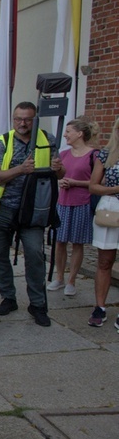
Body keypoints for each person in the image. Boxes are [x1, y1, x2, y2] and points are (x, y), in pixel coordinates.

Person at [0, 102, 64, 327]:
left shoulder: (47, 139)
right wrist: (20, 169)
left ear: (35, 119)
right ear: (13, 119)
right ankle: (8, 297)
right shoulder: (3, 141)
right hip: (3, 208)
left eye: (28, 119)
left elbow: (60, 174)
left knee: (34, 255)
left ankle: (38, 305)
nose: (22, 123)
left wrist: (58, 168)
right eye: (18, 119)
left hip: (33, 210)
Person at [49, 118, 97, 298]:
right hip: (62, 202)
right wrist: (59, 179)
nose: (65, 135)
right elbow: (57, 175)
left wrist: (76, 183)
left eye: (69, 131)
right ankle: (59, 277)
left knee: (77, 243)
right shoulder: (64, 154)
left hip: (82, 203)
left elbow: (98, 181)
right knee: (60, 241)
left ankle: (72, 280)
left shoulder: (94, 155)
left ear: (79, 134)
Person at [88, 116, 119, 329]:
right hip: (110, 209)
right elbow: (93, 186)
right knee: (105, 261)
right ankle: (100, 307)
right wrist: (115, 189)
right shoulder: (106, 154)